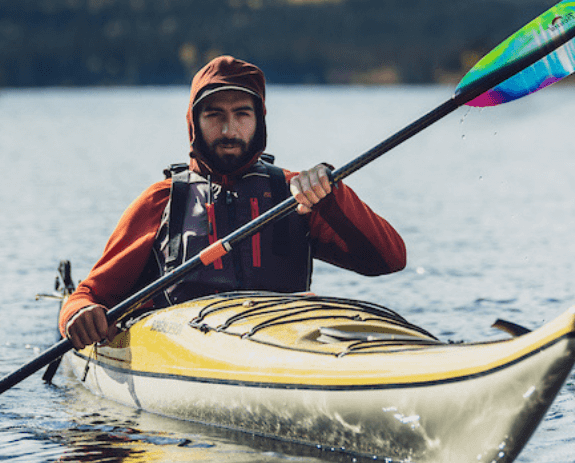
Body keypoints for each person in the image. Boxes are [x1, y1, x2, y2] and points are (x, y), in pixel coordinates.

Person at [60, 56, 406, 348]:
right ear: (194, 123)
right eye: (214, 116)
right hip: (187, 353)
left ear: (259, 122)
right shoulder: (161, 201)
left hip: (283, 345)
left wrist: (333, 195)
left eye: (242, 114)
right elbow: (89, 294)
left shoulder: (296, 194)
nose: (229, 130)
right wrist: (78, 314)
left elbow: (390, 260)